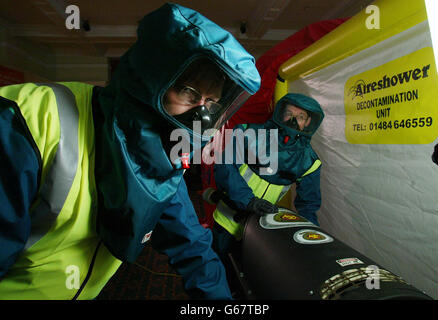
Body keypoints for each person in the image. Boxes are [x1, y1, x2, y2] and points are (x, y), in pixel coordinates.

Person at [0, 3, 260, 300]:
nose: (202, 117)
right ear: (153, 77)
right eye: (189, 92)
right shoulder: (29, 124)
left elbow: (193, 246)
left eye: (212, 104)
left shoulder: (159, 160)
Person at [204, 93, 324, 259]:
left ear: (309, 122)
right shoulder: (248, 133)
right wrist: (248, 201)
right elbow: (225, 166)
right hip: (227, 220)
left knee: (244, 277)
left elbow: (308, 204)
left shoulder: (309, 162)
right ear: (281, 113)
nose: (293, 121)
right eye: (289, 114)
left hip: (259, 228)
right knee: (215, 264)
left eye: (300, 116)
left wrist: (309, 237)